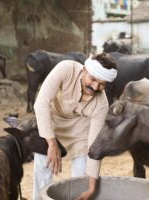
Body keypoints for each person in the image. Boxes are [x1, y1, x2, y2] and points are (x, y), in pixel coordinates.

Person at [33, 52, 117, 200]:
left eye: (102, 84)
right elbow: (41, 103)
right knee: (43, 164)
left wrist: (91, 188)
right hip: (52, 120)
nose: (96, 86)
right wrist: (51, 143)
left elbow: (94, 148)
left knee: (81, 176)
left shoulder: (101, 105)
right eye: (93, 79)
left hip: (80, 130)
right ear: (84, 70)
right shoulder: (66, 69)